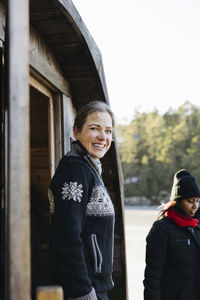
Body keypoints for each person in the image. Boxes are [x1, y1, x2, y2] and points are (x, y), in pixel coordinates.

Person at [49, 101, 115, 300]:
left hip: (95, 287)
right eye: (94, 129)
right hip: (82, 291)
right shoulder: (74, 170)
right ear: (76, 132)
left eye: (108, 131)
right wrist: (82, 291)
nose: (103, 137)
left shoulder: (90, 168)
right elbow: (66, 235)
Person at [143, 169, 200, 300]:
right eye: (190, 201)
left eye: (197, 200)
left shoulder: (196, 226)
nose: (195, 206)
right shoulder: (161, 229)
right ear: (178, 201)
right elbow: (152, 277)